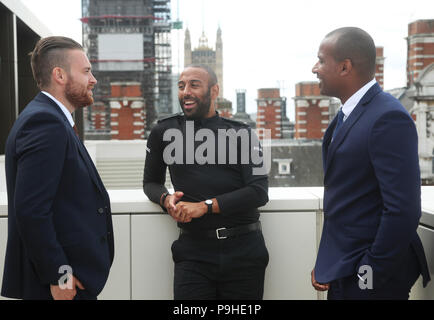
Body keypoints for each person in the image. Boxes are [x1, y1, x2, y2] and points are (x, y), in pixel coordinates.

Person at [310, 27, 430, 299]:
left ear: (344, 67)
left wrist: (370, 272)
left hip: (372, 276)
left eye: (321, 60)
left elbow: (403, 209)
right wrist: (328, 263)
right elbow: (347, 202)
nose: (314, 68)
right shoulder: (347, 115)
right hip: (344, 268)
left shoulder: (387, 117)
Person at [1, 36, 114, 300]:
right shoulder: (45, 122)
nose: (93, 79)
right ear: (60, 75)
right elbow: (31, 210)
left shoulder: (51, 119)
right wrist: (59, 275)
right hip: (59, 285)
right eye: (86, 71)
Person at [143, 64, 269, 299]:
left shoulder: (243, 133)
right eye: (181, 86)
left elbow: (259, 191)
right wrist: (166, 200)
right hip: (193, 253)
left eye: (194, 85)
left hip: (244, 251)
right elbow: (150, 182)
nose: (185, 91)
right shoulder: (163, 131)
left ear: (214, 91)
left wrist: (205, 206)